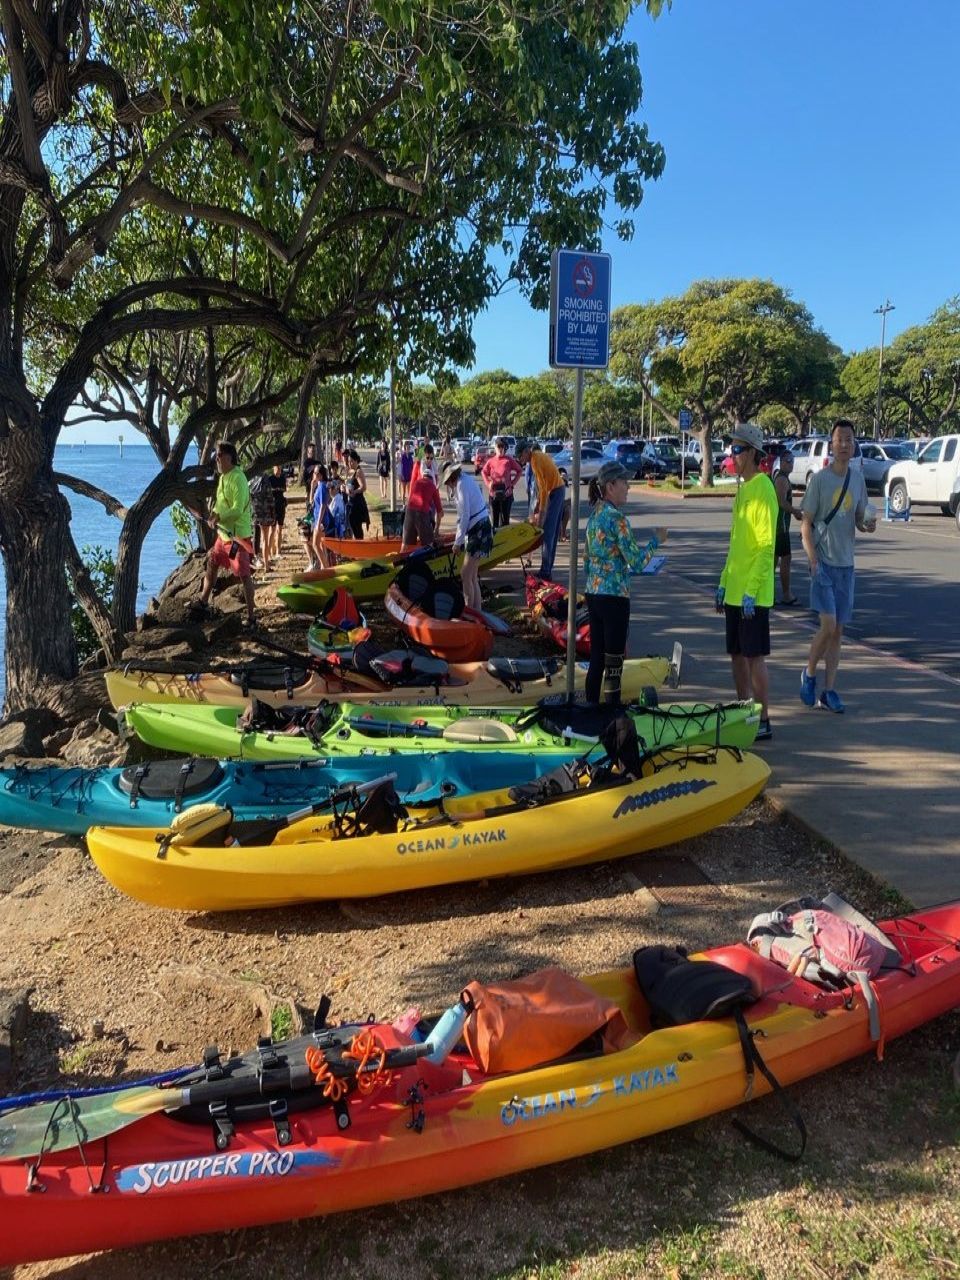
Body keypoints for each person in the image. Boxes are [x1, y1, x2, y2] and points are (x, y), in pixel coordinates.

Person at [800, 418, 876, 714]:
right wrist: (813, 560)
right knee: (828, 625)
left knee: (839, 631)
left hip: (847, 565)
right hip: (824, 564)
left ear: (853, 445)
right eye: (839, 439)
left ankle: (828, 691)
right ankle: (809, 673)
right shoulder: (819, 481)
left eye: (849, 439)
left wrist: (867, 525)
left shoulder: (856, 479)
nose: (844, 444)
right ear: (831, 444)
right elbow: (806, 525)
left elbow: (860, 517)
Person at [584, 461, 666, 705]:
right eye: (624, 482)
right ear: (611, 486)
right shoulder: (617, 519)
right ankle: (612, 714)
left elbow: (587, 560)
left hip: (594, 593)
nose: (628, 487)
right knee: (614, 661)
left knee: (597, 658)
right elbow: (637, 562)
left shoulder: (594, 516)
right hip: (615, 597)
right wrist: (656, 541)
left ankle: (590, 709)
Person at [715, 423, 778, 741]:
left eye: (737, 450)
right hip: (735, 591)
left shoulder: (763, 487)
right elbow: (736, 543)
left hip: (754, 593)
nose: (733, 456)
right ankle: (744, 711)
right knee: (737, 655)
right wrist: (724, 581)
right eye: (731, 450)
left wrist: (752, 590)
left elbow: (766, 546)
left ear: (753, 453)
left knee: (754, 658)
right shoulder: (741, 490)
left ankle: (763, 717)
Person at [191, 441, 256, 629]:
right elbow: (220, 504)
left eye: (219, 455)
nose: (216, 459)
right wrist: (213, 514)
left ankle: (252, 618)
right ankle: (203, 601)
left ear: (229, 457)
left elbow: (237, 509)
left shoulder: (238, 478)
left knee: (244, 576)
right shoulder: (222, 478)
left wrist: (219, 516)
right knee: (211, 562)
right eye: (216, 455)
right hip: (223, 536)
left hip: (238, 538)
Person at [441, 459, 492, 613]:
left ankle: (469, 611)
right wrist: (459, 536)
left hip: (479, 529)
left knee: (465, 574)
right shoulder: (464, 480)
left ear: (451, 478)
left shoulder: (461, 485)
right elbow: (462, 517)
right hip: (481, 526)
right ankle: (477, 612)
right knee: (472, 576)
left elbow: (465, 516)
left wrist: (458, 542)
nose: (448, 485)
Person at [516, 440, 565, 580]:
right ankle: (547, 569)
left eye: (520, 456)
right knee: (552, 533)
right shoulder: (536, 456)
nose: (520, 460)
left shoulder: (535, 460)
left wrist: (542, 513)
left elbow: (543, 489)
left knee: (548, 533)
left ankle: (545, 571)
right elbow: (540, 486)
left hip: (555, 491)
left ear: (526, 451)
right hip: (557, 489)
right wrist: (538, 506)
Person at [772, 448, 802, 605]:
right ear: (781, 462)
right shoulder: (782, 479)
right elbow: (781, 502)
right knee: (785, 558)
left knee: (774, 559)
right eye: (788, 461)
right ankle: (786, 593)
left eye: (792, 461)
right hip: (780, 525)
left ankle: (770, 593)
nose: (791, 464)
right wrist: (796, 511)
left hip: (779, 525)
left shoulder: (781, 477)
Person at [480, 437, 524, 528]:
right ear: (495, 447)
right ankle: (496, 539)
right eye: (499, 446)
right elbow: (483, 472)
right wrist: (488, 483)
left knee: (505, 522)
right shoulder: (491, 461)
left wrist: (512, 483)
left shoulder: (508, 460)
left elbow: (519, 470)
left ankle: (505, 540)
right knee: (495, 522)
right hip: (493, 494)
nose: (501, 449)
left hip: (506, 495)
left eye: (503, 447)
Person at [400, 471, 443, 551]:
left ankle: (400, 559)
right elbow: (440, 512)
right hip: (422, 513)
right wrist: (436, 529)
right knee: (428, 543)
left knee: (405, 542)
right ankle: (426, 559)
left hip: (409, 511)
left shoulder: (416, 483)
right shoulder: (433, 486)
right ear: (432, 478)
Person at [249, 472, 277, 573]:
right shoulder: (265, 478)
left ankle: (259, 559)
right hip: (265, 512)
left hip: (255, 512)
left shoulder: (251, 480)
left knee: (259, 538)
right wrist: (273, 512)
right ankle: (266, 565)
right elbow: (270, 497)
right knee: (265, 538)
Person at [345, 449, 370, 539]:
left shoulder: (358, 472)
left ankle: (360, 545)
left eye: (352, 461)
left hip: (357, 504)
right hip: (351, 502)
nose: (350, 463)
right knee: (351, 525)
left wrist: (354, 491)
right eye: (348, 461)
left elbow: (363, 487)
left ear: (356, 460)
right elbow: (348, 484)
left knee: (357, 528)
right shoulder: (350, 471)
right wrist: (344, 488)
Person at [268, 464, 287, 553]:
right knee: (272, 529)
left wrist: (279, 489)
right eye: (276, 468)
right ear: (273, 468)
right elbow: (270, 491)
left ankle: (278, 551)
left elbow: (284, 489)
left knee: (280, 528)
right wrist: (276, 490)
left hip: (281, 505)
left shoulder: (283, 478)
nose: (278, 470)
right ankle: (271, 550)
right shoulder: (270, 479)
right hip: (273, 506)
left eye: (279, 468)